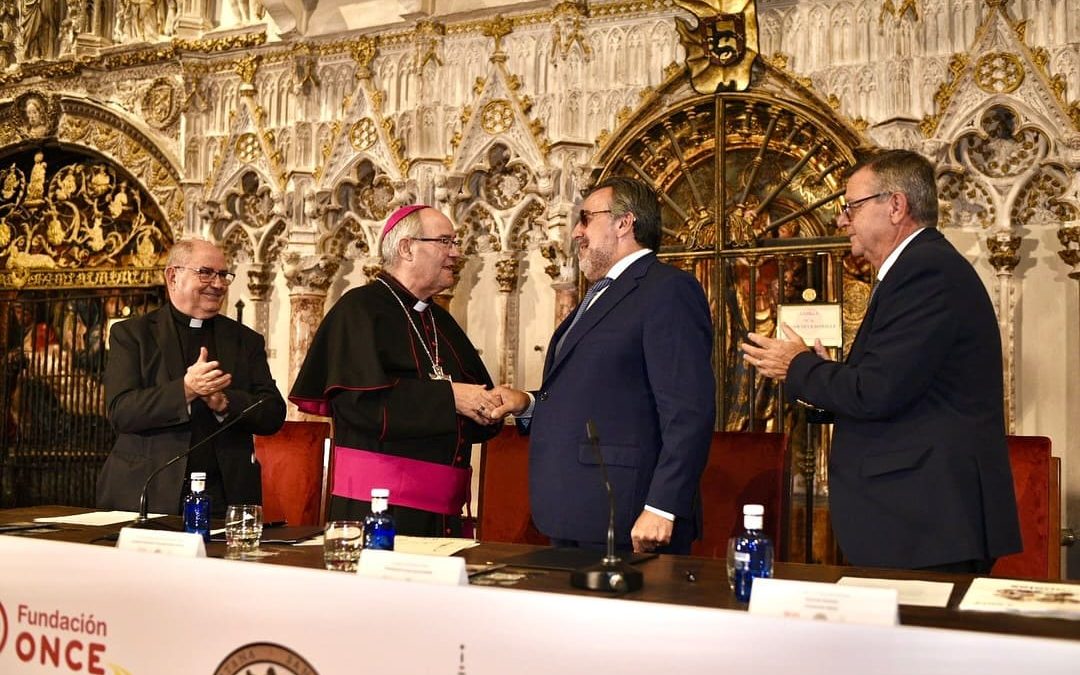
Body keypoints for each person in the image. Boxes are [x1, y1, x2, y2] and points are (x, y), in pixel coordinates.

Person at [740, 149, 1021, 573]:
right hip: (916, 521)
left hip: (926, 523)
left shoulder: (925, 272)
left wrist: (797, 366)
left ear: (895, 206)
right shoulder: (917, 268)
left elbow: (876, 392)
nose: (841, 220)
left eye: (851, 206)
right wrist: (821, 371)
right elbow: (895, 385)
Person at [489, 177, 715, 554]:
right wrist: (527, 404)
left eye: (585, 218)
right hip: (578, 510)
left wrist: (662, 505)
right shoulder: (601, 294)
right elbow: (598, 393)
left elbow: (689, 411)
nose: (577, 231)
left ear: (624, 223)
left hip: (628, 516)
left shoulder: (667, 290)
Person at [289, 205, 502, 537]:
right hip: (377, 509)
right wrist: (449, 398)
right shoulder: (357, 310)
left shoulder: (440, 321)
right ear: (406, 248)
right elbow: (357, 406)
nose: (456, 253)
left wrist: (488, 408)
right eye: (446, 242)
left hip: (443, 513)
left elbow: (475, 402)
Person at [97, 239, 286, 515]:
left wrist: (224, 402)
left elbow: (272, 413)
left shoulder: (245, 341)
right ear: (173, 276)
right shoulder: (133, 335)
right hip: (149, 493)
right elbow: (121, 411)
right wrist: (186, 390)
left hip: (225, 495)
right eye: (206, 273)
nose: (218, 284)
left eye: (223, 275)